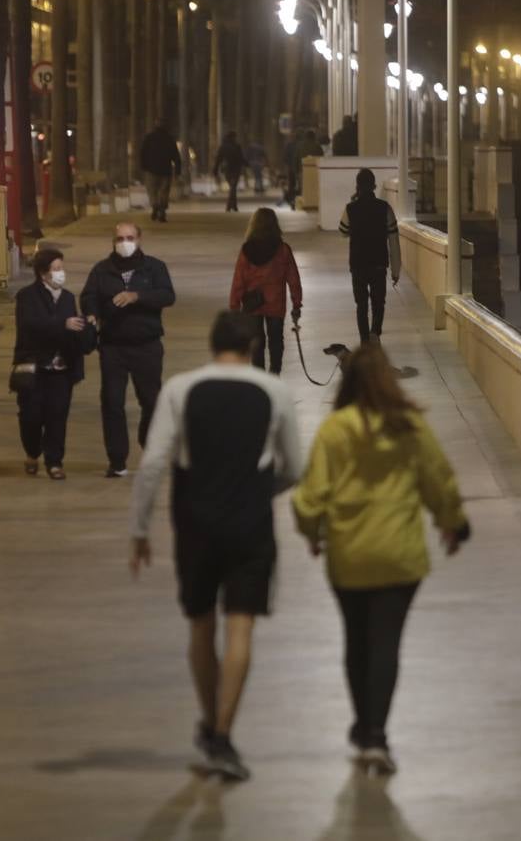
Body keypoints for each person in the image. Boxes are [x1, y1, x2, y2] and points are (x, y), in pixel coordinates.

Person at [129, 310, 303, 781]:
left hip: (196, 526)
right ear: (250, 348)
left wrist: (140, 529)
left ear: (211, 345)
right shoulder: (274, 392)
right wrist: (259, 490)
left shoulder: (180, 390)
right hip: (250, 525)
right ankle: (224, 734)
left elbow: (152, 465)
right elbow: (295, 467)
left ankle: (209, 725)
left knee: (201, 628)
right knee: (241, 628)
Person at [292, 343, 469, 774]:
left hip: (349, 553)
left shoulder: (336, 429)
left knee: (357, 641)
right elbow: (437, 479)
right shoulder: (408, 425)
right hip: (399, 554)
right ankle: (376, 736)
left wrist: (312, 532)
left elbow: (310, 495)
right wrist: (453, 521)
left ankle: (362, 723)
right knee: (386, 643)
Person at [80, 222, 176, 477]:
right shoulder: (102, 271)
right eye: (120, 238)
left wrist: (137, 296)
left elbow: (167, 295)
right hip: (113, 346)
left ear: (139, 239)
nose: (124, 242)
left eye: (129, 237)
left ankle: (149, 444)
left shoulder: (154, 268)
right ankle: (117, 460)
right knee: (112, 402)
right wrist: (91, 315)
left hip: (147, 345)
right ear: (113, 241)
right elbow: (89, 297)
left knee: (152, 401)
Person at [12, 248, 97, 480]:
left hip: (62, 370)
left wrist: (87, 327)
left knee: (57, 417)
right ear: (43, 273)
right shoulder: (27, 296)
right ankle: (32, 452)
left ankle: (54, 462)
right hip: (34, 368)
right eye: (56, 269)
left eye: (62, 268)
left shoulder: (69, 298)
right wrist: (63, 325)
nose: (61, 273)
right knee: (30, 417)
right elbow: (30, 326)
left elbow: (73, 330)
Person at [228, 207, 303, 375]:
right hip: (276, 303)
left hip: (252, 304)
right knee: (276, 341)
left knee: (256, 342)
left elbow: (239, 280)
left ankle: (259, 376)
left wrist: (234, 306)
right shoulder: (283, 249)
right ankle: (275, 373)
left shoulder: (246, 250)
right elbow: (293, 279)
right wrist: (296, 303)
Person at [337, 169, 401, 343]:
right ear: (374, 186)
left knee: (361, 305)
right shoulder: (385, 208)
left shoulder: (351, 208)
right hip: (379, 263)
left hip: (358, 264)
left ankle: (364, 339)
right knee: (378, 302)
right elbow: (394, 242)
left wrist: (354, 203)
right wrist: (396, 270)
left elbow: (342, 232)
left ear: (357, 186)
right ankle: (375, 333)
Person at [141, 122, 183, 222]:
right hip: (165, 170)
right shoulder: (169, 139)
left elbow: (142, 153)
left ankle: (155, 205)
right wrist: (177, 170)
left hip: (151, 169)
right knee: (164, 191)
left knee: (152, 190)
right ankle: (162, 209)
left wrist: (143, 166)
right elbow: (176, 156)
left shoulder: (149, 138)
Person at [214, 132, 247, 213]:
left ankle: (233, 206)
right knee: (233, 187)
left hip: (227, 169)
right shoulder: (237, 146)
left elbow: (219, 158)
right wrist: (247, 164)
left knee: (232, 187)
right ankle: (231, 205)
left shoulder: (223, 147)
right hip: (236, 169)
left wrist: (215, 169)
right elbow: (241, 157)